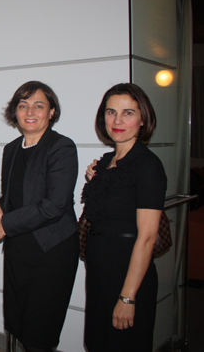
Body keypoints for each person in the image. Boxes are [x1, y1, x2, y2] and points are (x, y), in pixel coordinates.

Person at [0, 81, 79, 352]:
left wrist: (5, 225)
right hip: (19, 250)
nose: (30, 112)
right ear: (15, 111)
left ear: (51, 112)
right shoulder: (12, 149)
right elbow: (15, 195)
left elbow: (54, 205)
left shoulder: (61, 147)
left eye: (39, 106)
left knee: (40, 331)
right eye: (23, 105)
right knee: (18, 322)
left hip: (51, 251)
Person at [82, 83, 167, 352]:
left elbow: (148, 238)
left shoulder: (147, 165)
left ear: (143, 119)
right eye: (111, 112)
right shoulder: (105, 162)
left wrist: (128, 297)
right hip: (99, 272)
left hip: (128, 274)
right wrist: (95, 180)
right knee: (97, 343)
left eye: (128, 113)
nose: (117, 120)